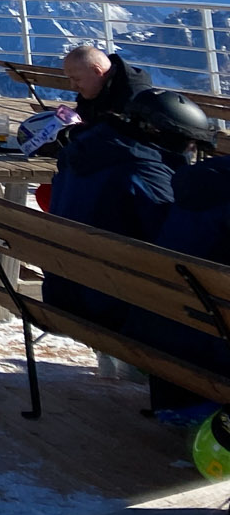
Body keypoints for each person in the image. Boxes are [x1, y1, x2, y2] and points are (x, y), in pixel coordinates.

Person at [47, 89, 211, 328]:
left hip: (64, 290)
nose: (191, 153)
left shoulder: (87, 150)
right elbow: (174, 245)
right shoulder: (143, 171)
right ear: (166, 137)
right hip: (114, 303)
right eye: (191, 146)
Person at [65, 44, 152, 125]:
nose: (73, 86)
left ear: (97, 71)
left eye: (77, 79)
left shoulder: (132, 100)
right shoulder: (96, 87)